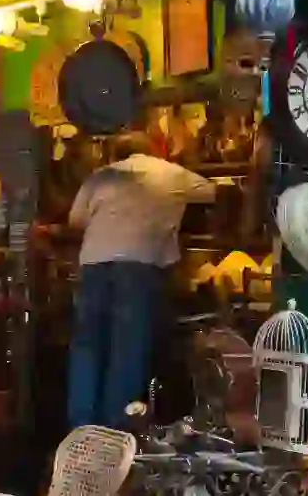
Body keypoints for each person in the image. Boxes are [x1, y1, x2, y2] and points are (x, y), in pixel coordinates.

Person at [66, 131, 215, 429]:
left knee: (87, 348)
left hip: (94, 265)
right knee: (127, 349)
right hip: (139, 267)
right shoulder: (173, 173)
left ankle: (81, 430)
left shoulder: (101, 176)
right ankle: (116, 430)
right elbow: (213, 191)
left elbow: (75, 221)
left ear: (116, 156)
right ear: (153, 151)